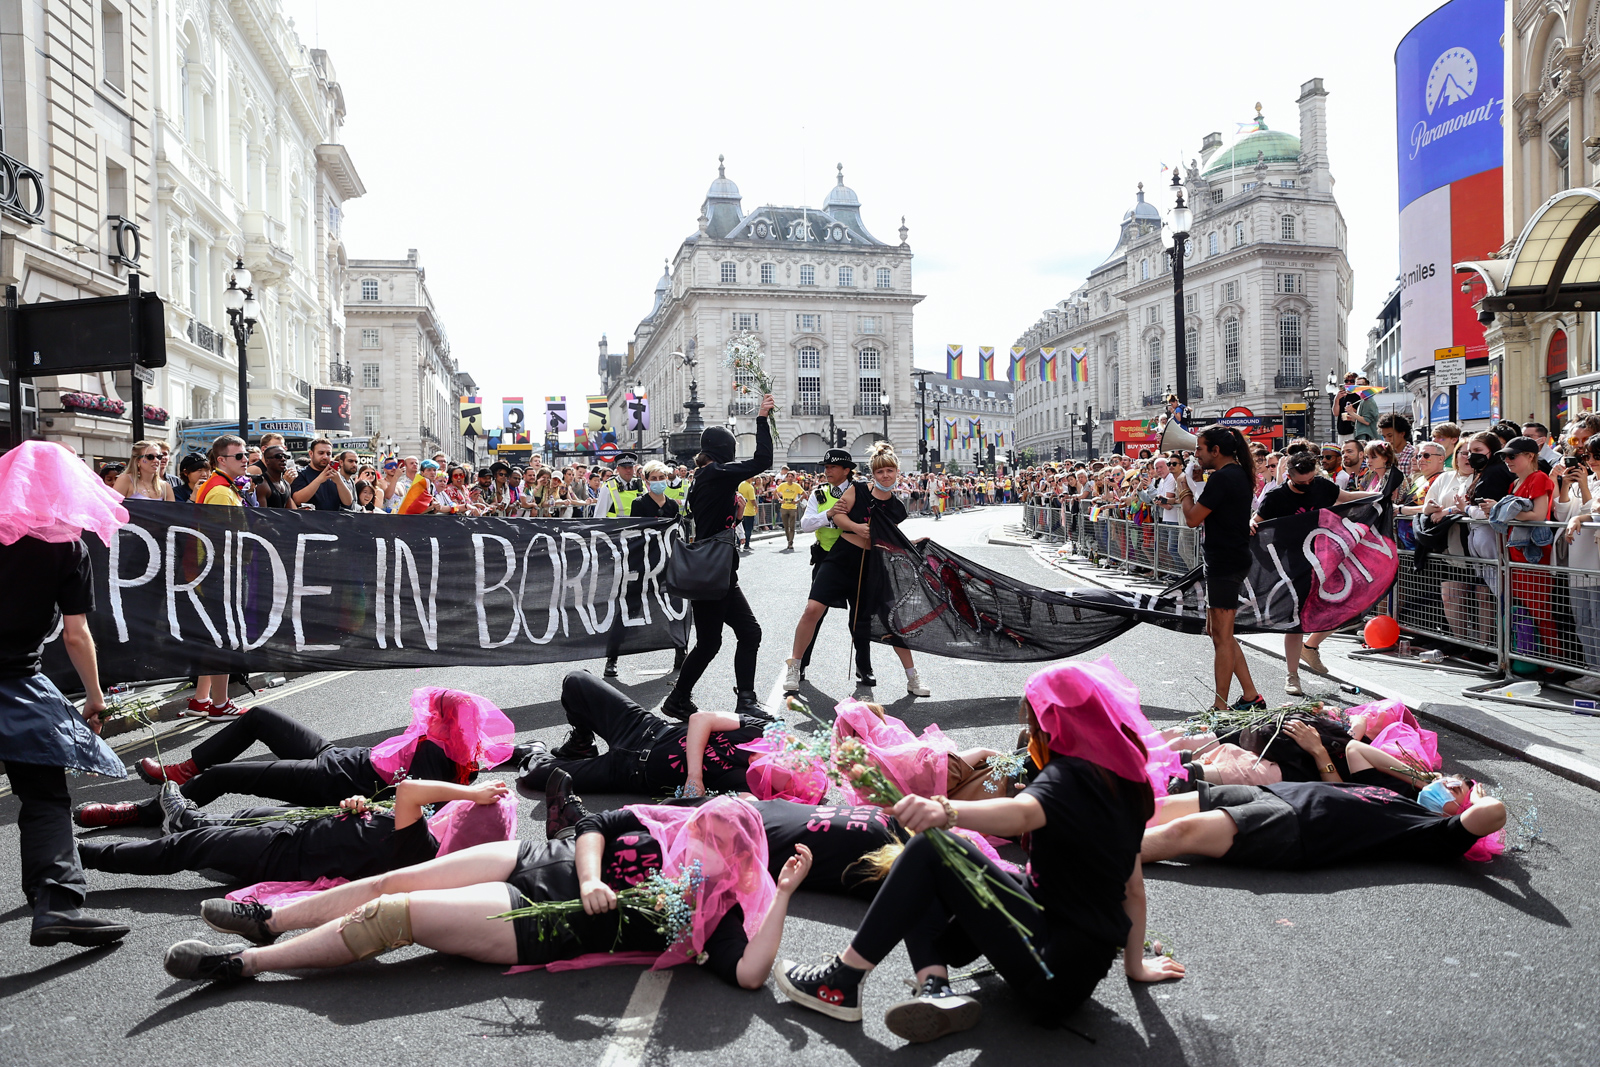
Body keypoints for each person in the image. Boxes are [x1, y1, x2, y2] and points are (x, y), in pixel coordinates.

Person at [774, 660, 1184, 1043]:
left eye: (1034, 725)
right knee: (948, 855)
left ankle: (841, 981)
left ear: (1053, 726)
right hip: (1076, 971)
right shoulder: (1128, 787)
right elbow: (1133, 890)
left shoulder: (1067, 776)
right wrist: (1136, 967)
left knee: (929, 847)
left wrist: (945, 809)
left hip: (1046, 963)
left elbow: (1020, 813)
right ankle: (934, 987)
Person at [164, 796, 811, 989]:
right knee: (396, 878)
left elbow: (752, 972)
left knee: (396, 914)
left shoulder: (716, 914)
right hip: (537, 858)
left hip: (533, 918)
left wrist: (781, 894)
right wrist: (590, 877)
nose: (702, 834)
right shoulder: (665, 823)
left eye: (721, 837)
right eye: (708, 823)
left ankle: (243, 963)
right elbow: (591, 826)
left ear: (737, 860)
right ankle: (266, 917)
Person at [0, 441, 133, 948]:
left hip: (17, 684)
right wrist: (95, 697)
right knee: (43, 796)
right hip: (17, 687)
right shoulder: (66, 548)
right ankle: (57, 903)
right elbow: (76, 635)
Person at [73, 688, 525, 828]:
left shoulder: (439, 758)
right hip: (340, 755)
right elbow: (493, 759)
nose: (427, 714)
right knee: (260, 717)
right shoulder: (458, 748)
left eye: (438, 713)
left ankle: (142, 812)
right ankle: (184, 769)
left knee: (229, 775)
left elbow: (419, 811)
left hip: (330, 779)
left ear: (453, 726)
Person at [80, 778, 512, 884]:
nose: (457, 809)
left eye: (467, 810)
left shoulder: (426, 851)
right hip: (298, 826)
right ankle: (182, 814)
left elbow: (407, 790)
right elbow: (387, 818)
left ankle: (86, 856)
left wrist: (473, 791)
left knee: (188, 848)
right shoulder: (427, 840)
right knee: (239, 815)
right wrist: (358, 808)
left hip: (284, 852)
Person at [662, 394, 775, 721]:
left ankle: (679, 699)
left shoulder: (699, 479)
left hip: (708, 569)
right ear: (725, 451)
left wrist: (735, 516)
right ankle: (746, 701)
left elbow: (713, 523)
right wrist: (762, 419)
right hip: (717, 573)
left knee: (710, 642)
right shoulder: (716, 474)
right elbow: (762, 462)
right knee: (749, 633)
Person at [1140, 777, 1506, 870]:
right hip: (1271, 792)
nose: (1447, 781)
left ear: (1456, 810)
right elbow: (1354, 750)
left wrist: (1477, 797)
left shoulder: (1431, 832)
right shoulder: (1401, 797)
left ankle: (1093, 857)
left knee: (1180, 833)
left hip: (1293, 824)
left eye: (1456, 787)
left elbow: (1493, 814)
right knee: (1159, 807)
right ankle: (1086, 828)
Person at [519, 670, 769, 797]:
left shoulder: (758, 787)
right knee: (576, 681)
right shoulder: (761, 730)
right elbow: (700, 719)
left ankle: (534, 752)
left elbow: (749, 814)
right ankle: (582, 743)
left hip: (628, 773)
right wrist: (695, 777)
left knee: (536, 774)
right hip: (644, 728)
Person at [1254, 452, 1376, 692]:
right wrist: (1250, 523)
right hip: (1293, 563)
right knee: (1296, 621)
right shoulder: (1276, 497)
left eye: (1311, 480)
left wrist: (1379, 497)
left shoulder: (1321, 485)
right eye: (1302, 482)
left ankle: (1310, 647)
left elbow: (1347, 497)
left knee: (1344, 604)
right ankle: (1292, 676)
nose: (1308, 485)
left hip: (1325, 556)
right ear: (1289, 476)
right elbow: (1257, 520)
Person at [1176, 426, 1263, 711]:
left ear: (1216, 451)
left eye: (1200, 449)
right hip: (1223, 559)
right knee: (1217, 632)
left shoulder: (1225, 477)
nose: (1196, 454)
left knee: (1222, 638)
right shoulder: (1232, 474)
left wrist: (1184, 491)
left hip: (1226, 562)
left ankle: (1220, 706)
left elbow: (1192, 518)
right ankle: (1250, 695)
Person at [784, 447, 877, 697]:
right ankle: (799, 665)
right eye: (825, 467)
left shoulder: (862, 491)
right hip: (827, 559)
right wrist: (829, 514)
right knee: (814, 611)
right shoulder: (819, 493)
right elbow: (805, 525)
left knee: (859, 616)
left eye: (832, 467)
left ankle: (864, 666)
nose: (827, 471)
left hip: (858, 558)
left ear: (847, 470)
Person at [187, 435, 251, 718]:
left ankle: (201, 699)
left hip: (213, 571)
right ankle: (220, 703)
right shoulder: (222, 492)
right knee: (223, 638)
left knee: (212, 636)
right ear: (221, 460)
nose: (245, 459)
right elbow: (224, 539)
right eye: (239, 456)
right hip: (221, 573)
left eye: (246, 454)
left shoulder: (220, 486)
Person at [1499, 436, 1559, 655]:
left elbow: (1539, 514)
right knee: (1525, 610)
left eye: (1512, 456)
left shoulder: (1539, 477)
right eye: (1505, 456)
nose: (1507, 460)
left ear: (1530, 456)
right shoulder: (1514, 483)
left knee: (1540, 611)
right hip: (1516, 554)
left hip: (1534, 554)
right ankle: (1530, 658)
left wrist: (1505, 514)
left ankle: (1553, 662)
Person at [291, 438, 355, 511]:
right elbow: (297, 500)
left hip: (333, 521)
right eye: (321, 453)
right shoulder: (301, 474)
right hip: (310, 521)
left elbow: (348, 502)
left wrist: (339, 482)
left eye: (328, 454)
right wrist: (319, 480)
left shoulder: (336, 475)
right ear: (311, 454)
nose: (325, 457)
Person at [111, 440, 176, 501]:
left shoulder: (165, 486)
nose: (156, 460)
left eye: (159, 457)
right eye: (150, 457)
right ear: (137, 460)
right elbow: (113, 507)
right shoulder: (125, 480)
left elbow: (172, 512)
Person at [594, 453, 643, 518]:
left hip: (638, 526)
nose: (628, 470)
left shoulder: (640, 484)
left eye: (630, 467)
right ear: (618, 469)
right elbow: (600, 514)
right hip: (616, 527)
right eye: (624, 468)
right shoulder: (608, 486)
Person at [251, 445, 295, 509]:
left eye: (285, 456)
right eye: (278, 456)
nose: (283, 459)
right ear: (267, 461)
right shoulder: (262, 484)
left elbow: (289, 512)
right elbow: (262, 514)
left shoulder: (286, 484)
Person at [777, 468, 805, 551]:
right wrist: (780, 499)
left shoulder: (796, 486)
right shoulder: (782, 485)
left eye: (791, 477)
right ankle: (788, 539)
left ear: (793, 478)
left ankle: (790, 542)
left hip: (793, 508)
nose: (790, 478)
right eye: (788, 476)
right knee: (786, 527)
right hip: (784, 507)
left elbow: (804, 494)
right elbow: (775, 492)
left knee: (792, 527)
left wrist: (798, 501)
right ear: (786, 478)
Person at [737, 474, 758, 553]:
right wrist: (756, 506)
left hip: (741, 511)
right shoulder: (750, 487)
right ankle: (746, 545)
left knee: (740, 528)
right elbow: (752, 500)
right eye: (752, 477)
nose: (753, 478)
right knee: (748, 529)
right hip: (749, 511)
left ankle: (738, 544)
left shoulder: (741, 484)